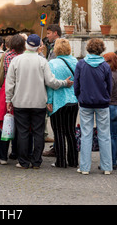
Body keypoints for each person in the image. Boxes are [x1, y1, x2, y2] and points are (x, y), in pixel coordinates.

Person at [5, 34, 73, 169]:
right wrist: (64, 83)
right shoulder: (42, 61)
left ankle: (23, 161)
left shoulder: (17, 60)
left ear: (26, 45)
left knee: (23, 132)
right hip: (39, 102)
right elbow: (50, 81)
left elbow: (10, 82)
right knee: (38, 132)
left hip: (20, 101)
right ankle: (36, 161)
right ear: (38, 46)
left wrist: (8, 99)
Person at [74, 38, 112, 175]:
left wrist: (78, 96)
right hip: (102, 103)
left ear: (88, 48)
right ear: (101, 49)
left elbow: (76, 83)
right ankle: (107, 166)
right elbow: (109, 85)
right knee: (104, 135)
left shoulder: (81, 64)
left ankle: (85, 167)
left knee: (86, 134)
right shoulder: (105, 66)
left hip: (85, 102)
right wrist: (106, 97)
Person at [46, 38, 79, 168]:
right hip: (73, 100)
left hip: (58, 100)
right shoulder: (75, 61)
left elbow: (50, 84)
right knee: (70, 131)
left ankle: (61, 161)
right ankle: (73, 160)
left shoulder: (52, 63)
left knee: (58, 131)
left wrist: (49, 101)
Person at [0, 34, 25, 164]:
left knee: (5, 123)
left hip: (6, 89)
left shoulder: (6, 56)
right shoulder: (23, 58)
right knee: (20, 124)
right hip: (21, 89)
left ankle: (3, 156)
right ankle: (17, 153)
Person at [103, 52, 117, 170]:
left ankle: (108, 162)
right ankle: (114, 161)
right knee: (114, 136)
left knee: (107, 136)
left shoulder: (110, 75)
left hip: (109, 106)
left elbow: (107, 92)